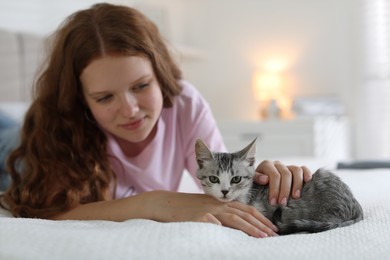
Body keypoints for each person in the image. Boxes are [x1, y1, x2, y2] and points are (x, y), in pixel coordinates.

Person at [0, 3, 312, 238]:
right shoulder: (60, 125)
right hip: (14, 146)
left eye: (141, 86)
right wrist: (154, 202)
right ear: (80, 100)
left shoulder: (184, 103)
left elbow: (222, 184)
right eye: (105, 98)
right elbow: (50, 212)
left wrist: (261, 179)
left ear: (159, 75)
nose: (131, 110)